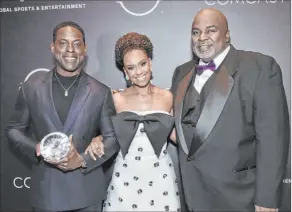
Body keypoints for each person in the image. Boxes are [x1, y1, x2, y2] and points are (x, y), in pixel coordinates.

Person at [170, 8, 290, 211]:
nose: (202, 38)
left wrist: (267, 197)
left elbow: (273, 137)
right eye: (196, 32)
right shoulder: (181, 72)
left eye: (211, 30)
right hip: (191, 195)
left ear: (227, 34)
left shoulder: (259, 67)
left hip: (238, 197)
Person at [6, 21, 119, 212]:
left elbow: (113, 138)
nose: (70, 50)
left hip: (86, 192)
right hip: (47, 192)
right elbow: (14, 129)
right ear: (53, 47)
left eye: (76, 43)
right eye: (63, 43)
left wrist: (82, 160)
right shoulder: (31, 87)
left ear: (85, 48)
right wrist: (37, 149)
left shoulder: (101, 91)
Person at [86, 32, 183, 211]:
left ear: (150, 62)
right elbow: (105, 133)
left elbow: (178, 137)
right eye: (131, 68)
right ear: (125, 72)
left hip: (160, 177)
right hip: (126, 177)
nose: (139, 72)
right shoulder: (116, 99)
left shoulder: (167, 97)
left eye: (142, 64)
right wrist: (97, 138)